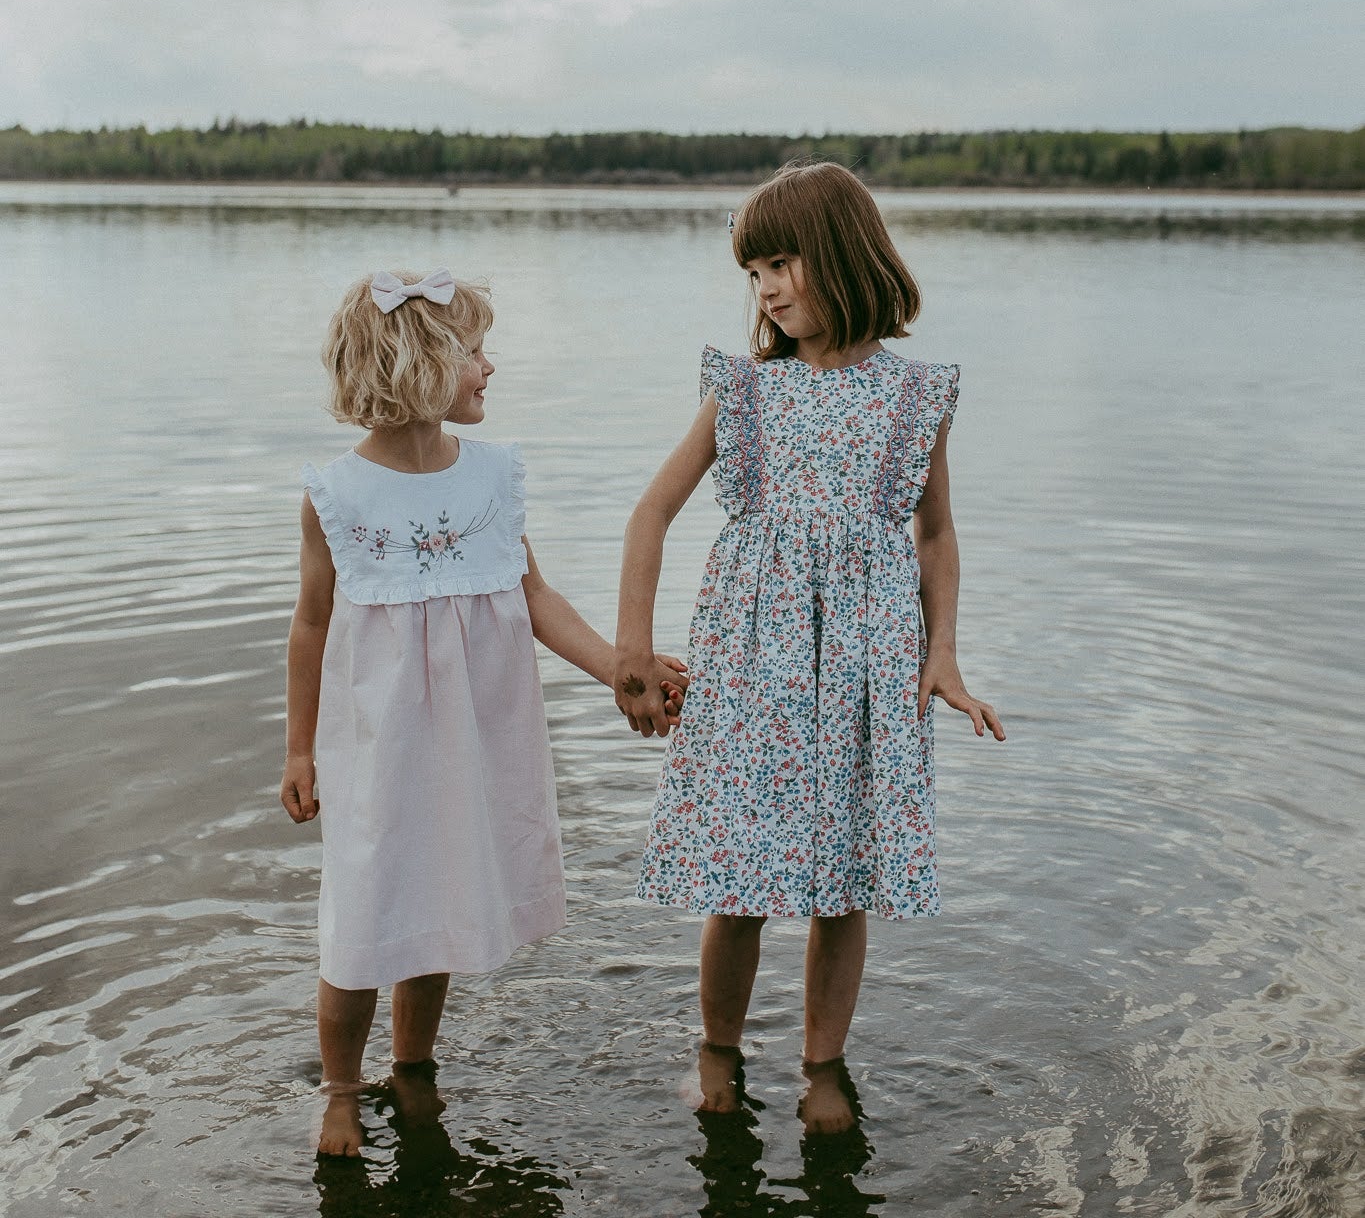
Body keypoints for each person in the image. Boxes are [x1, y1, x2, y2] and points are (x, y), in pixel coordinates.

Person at [613, 163, 1004, 1132]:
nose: (769, 289)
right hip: (752, 667)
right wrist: (633, 645)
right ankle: (718, 1044)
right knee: (741, 875)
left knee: (846, 874)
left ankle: (823, 1060)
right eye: (754, 273)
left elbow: (937, 533)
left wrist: (941, 650)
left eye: (782, 262)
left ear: (842, 254)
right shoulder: (746, 392)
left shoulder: (915, 398)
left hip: (865, 671)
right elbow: (652, 510)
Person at [281, 266, 683, 1158]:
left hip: (472, 738)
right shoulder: (335, 495)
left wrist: (621, 668)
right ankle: (343, 1091)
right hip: (376, 748)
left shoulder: (494, 479)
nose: (490, 368)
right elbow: (310, 627)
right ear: (418, 361)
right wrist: (300, 751)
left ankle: (413, 1064)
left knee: (437, 903)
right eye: (474, 351)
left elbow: (533, 598)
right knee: (362, 914)